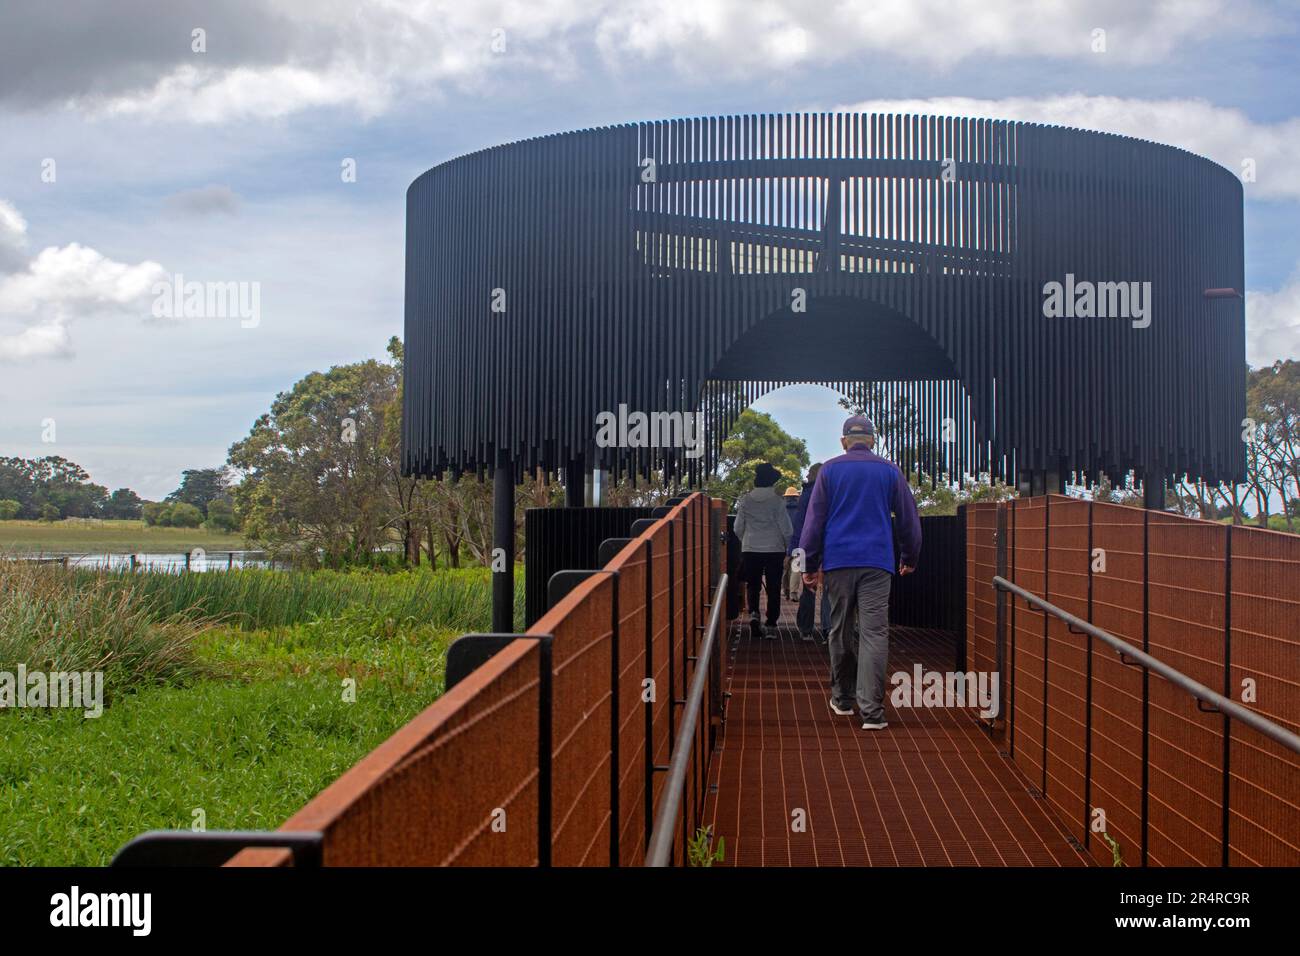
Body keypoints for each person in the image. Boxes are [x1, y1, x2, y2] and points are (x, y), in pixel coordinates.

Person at [799, 416, 921, 730]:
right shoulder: (890, 471)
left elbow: (813, 523)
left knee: (840, 630)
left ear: (844, 440)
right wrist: (909, 556)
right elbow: (909, 520)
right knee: (874, 633)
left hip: (838, 562)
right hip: (877, 563)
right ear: (872, 440)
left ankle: (842, 698)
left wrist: (809, 566)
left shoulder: (829, 470)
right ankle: (872, 712)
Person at [734, 462, 792, 639]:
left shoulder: (745, 501)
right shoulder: (778, 501)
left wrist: (746, 541)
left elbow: (737, 527)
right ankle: (772, 625)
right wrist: (786, 546)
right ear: (772, 482)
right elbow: (787, 529)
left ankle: (753, 613)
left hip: (751, 548)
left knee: (753, 585)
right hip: (774, 549)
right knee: (773, 587)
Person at [789, 462, 832, 643]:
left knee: (808, 588)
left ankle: (806, 629)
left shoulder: (806, 495)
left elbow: (800, 525)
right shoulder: (832, 493)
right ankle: (828, 629)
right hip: (829, 546)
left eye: (808, 473)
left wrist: (793, 549)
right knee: (828, 589)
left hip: (806, 546)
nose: (806, 476)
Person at [781, 486, 800, 598]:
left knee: (785, 568)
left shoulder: (781, 510)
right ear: (796, 498)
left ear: (786, 497)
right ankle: (794, 592)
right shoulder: (802, 510)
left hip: (783, 543)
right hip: (799, 542)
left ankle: (785, 590)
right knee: (796, 568)